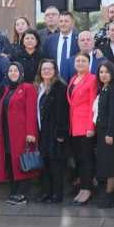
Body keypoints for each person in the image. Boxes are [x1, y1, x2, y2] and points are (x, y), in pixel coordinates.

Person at [0, 62, 39, 205]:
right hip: (7, 134)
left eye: (16, 70)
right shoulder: (7, 90)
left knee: (22, 162)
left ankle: (22, 194)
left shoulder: (27, 88)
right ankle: (14, 192)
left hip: (22, 134)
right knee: (10, 162)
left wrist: (31, 132)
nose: (13, 73)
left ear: (21, 73)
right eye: (10, 70)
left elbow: (31, 111)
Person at [66, 52, 99, 205]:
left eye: (83, 61)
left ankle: (87, 189)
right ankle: (82, 187)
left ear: (89, 63)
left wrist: (91, 126)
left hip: (86, 124)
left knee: (87, 159)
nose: (80, 63)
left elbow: (93, 103)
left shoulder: (92, 79)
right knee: (79, 158)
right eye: (78, 60)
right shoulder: (73, 79)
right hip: (74, 125)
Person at [35, 60, 68, 203]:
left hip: (55, 132)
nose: (46, 71)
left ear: (55, 71)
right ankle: (46, 193)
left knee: (56, 164)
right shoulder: (39, 87)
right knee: (45, 163)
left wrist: (61, 132)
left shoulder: (60, 87)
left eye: (50, 69)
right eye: (44, 69)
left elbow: (63, 111)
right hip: (42, 132)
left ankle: (57, 194)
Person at [93, 60, 114, 208]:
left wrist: (110, 133)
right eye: (101, 72)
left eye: (107, 72)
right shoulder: (103, 89)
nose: (103, 75)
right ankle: (111, 194)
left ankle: (109, 195)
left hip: (110, 132)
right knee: (105, 163)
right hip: (101, 131)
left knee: (111, 164)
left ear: (112, 73)